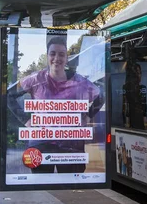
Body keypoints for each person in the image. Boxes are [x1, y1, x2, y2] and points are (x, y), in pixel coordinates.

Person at [13, 37, 103, 174]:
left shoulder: (79, 81)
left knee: (70, 187)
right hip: (41, 144)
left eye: (62, 54)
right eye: (53, 53)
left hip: (71, 144)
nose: (57, 58)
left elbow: (100, 96)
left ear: (67, 58)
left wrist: (88, 116)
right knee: (42, 186)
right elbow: (8, 96)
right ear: (47, 56)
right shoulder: (36, 79)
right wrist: (26, 120)